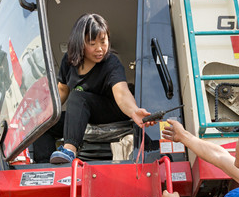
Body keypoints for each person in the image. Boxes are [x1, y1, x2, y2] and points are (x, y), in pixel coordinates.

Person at [32, 13, 151, 164]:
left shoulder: (111, 63)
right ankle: (46, 167)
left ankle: (69, 150)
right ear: (80, 43)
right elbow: (62, 90)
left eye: (103, 42)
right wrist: (43, 116)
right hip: (84, 114)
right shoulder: (69, 61)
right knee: (44, 125)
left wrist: (134, 111)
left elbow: (121, 93)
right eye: (92, 43)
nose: (99, 49)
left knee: (77, 96)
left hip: (111, 111)